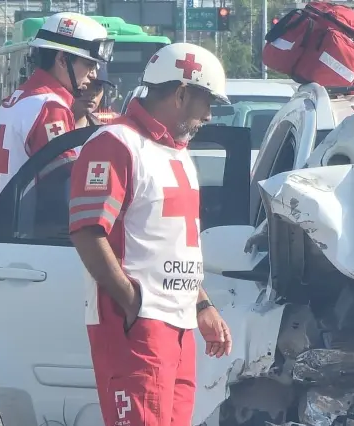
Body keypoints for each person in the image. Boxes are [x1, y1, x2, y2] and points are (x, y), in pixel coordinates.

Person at [69, 43, 232, 426]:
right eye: (206, 101)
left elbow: (175, 243)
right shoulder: (115, 143)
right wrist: (132, 304)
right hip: (139, 324)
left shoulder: (177, 153)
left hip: (177, 325)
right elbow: (87, 231)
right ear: (180, 93)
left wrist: (202, 306)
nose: (209, 115)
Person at [0, 12, 114, 215]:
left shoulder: (19, 98)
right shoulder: (50, 106)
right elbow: (66, 180)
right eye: (89, 64)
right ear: (62, 60)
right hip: (27, 236)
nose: (94, 74)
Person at [73, 62, 117, 128]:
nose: (92, 92)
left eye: (98, 86)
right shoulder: (54, 125)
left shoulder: (104, 133)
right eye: (86, 84)